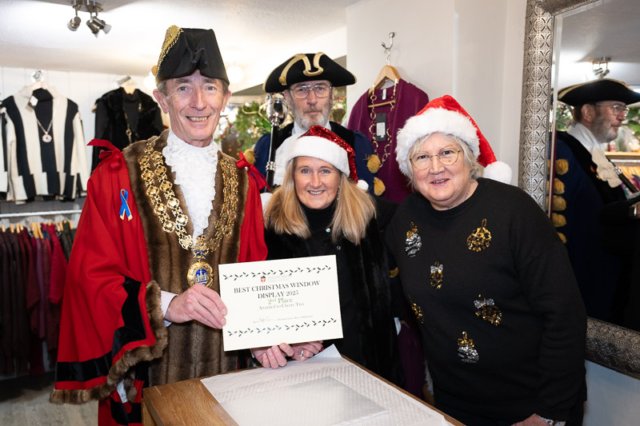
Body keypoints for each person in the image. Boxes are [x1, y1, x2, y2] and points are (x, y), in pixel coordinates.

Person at [50, 26, 267, 426]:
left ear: (225, 98)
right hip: (145, 382)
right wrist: (165, 305)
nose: (199, 102)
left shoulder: (245, 182)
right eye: (183, 88)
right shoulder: (117, 175)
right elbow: (88, 278)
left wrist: (269, 336)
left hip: (229, 379)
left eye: (210, 88)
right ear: (161, 99)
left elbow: (257, 273)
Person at [386, 95, 586, 425]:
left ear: (469, 159)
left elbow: (564, 315)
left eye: (447, 153)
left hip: (529, 403)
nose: (435, 167)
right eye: (421, 157)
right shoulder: (406, 217)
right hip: (453, 400)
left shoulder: (514, 212)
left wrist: (549, 412)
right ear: (409, 169)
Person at [257, 125, 403, 385]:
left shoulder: (371, 216)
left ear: (340, 176)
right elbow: (259, 305)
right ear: (292, 176)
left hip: (370, 368)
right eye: (305, 171)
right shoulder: (271, 226)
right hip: (300, 372)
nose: (315, 182)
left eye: (325, 170)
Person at [554, 79, 640, 324]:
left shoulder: (597, 154)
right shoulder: (563, 151)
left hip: (609, 274)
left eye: (624, 109)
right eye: (616, 108)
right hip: (583, 276)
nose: (622, 116)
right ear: (588, 112)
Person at [252, 53, 375, 191]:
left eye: (320, 88)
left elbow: (368, 200)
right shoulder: (268, 146)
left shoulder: (355, 143)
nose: (312, 100)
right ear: (288, 98)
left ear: (332, 95)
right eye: (301, 89)